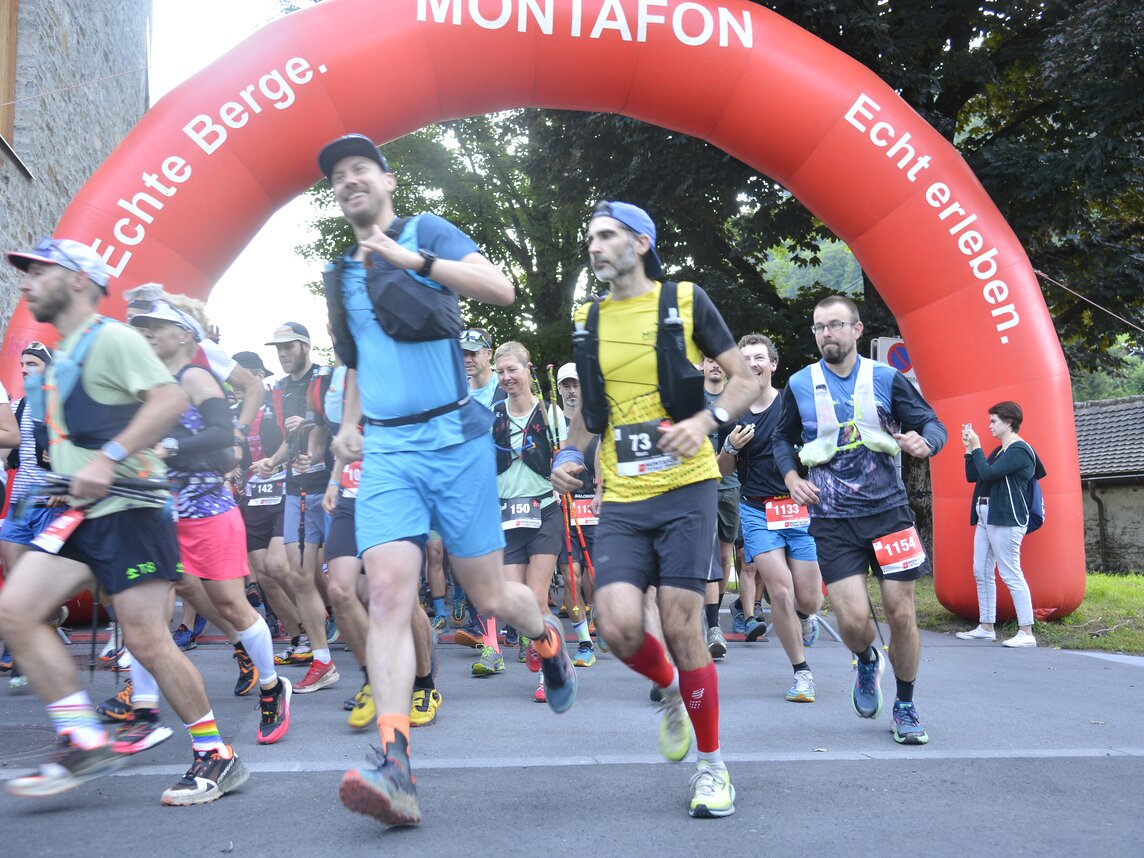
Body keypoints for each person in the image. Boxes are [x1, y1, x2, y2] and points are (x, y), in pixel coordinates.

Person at [318, 133, 577, 827]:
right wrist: (349, 424)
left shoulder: (425, 231)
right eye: (338, 176)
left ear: (387, 179)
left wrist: (415, 259)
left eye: (360, 169)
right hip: (390, 452)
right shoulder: (341, 270)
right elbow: (355, 359)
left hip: (455, 440)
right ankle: (395, 762)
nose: (349, 181)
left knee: (491, 593)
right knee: (389, 592)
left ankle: (545, 635)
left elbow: (501, 287)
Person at [0, 237, 248, 804]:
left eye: (40, 272)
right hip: (76, 515)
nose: (25, 283)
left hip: (131, 509)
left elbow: (165, 401)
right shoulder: (66, 353)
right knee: (15, 611)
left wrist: (109, 458)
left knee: (146, 638)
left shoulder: (111, 338)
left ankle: (216, 755)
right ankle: (84, 740)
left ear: (79, 282)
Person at [553, 201, 755, 819]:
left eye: (607, 235)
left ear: (641, 242)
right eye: (590, 237)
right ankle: (668, 689)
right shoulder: (587, 320)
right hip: (623, 493)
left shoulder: (684, 301)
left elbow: (743, 378)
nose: (595, 245)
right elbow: (591, 410)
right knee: (615, 625)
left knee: (681, 621)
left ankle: (712, 767)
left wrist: (706, 420)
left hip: (688, 487)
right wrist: (568, 452)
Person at [773, 295, 947, 746]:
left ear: (857, 330)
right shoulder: (799, 384)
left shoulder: (886, 378)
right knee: (851, 621)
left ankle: (905, 705)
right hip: (832, 520)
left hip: (889, 514)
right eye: (818, 327)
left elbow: (932, 423)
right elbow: (780, 439)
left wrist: (926, 443)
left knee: (901, 611)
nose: (826, 333)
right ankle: (867, 660)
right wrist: (791, 476)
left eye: (835, 325)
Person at [129, 298, 291, 745]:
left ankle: (272, 686)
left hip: (207, 512)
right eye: (140, 325)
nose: (146, 332)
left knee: (230, 606)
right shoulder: (147, 380)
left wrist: (169, 447)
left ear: (185, 335)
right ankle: (141, 711)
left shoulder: (195, 376)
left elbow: (222, 435)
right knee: (144, 609)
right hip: (161, 512)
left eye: (155, 325)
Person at [716, 334, 823, 702]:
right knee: (779, 588)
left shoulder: (793, 405)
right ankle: (801, 672)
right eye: (744, 359)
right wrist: (731, 446)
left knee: (808, 599)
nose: (752, 364)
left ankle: (805, 616)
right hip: (757, 509)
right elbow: (720, 469)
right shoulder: (732, 412)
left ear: (773, 365)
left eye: (759, 357)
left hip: (799, 509)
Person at [482, 341, 567, 700]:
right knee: (513, 604)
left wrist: (566, 472)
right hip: (506, 514)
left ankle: (550, 671)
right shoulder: (492, 413)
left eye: (512, 370)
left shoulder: (551, 412)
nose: (505, 378)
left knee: (536, 597)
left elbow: (566, 455)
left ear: (527, 369)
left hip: (544, 509)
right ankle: (545, 643)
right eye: (500, 372)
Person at [259, 322, 338, 691]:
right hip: (297, 489)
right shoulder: (277, 388)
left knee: (348, 583)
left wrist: (313, 447)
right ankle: (322, 660)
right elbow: (291, 442)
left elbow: (329, 429)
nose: (282, 353)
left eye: (288, 346)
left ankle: (383, 652)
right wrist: (273, 461)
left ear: (306, 346)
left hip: (337, 487)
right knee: (300, 576)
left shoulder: (329, 378)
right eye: (278, 348)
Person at [957, 401, 1043, 648]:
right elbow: (974, 475)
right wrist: (968, 449)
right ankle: (986, 626)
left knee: (1010, 572)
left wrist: (977, 447)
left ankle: (1026, 631)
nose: (990, 426)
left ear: (1009, 422)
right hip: (986, 514)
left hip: (1005, 516)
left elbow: (989, 474)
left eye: (994, 421)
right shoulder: (1000, 451)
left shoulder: (1019, 450)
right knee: (981, 570)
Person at [555, 362, 602, 666]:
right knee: (570, 577)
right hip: (563, 510)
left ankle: (602, 617)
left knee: (596, 576)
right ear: (559, 389)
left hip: (597, 508)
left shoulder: (598, 419)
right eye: (566, 385)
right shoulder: (551, 421)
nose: (571, 390)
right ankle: (585, 642)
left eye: (576, 384)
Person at [701, 355, 748, 649]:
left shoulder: (738, 397)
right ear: (702, 365)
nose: (715, 365)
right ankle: (713, 626)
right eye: (709, 360)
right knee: (706, 558)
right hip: (699, 485)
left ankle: (712, 616)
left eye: (720, 360)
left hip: (730, 486)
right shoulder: (692, 397)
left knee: (723, 557)